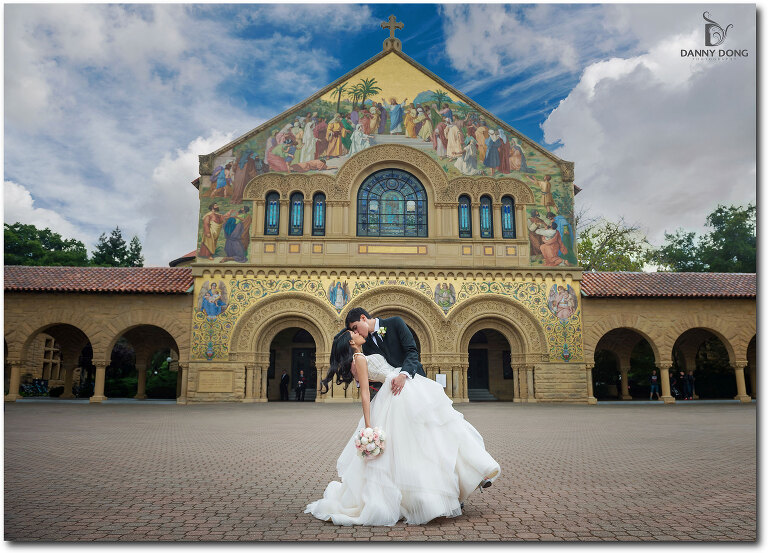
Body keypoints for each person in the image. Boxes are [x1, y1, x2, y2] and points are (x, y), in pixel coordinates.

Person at [305, 328, 501, 526]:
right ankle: (460, 478)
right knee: (430, 434)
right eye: (353, 333)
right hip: (398, 393)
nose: (357, 332)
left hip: (400, 389)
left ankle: (464, 476)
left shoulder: (359, 357)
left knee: (433, 432)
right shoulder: (359, 359)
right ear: (351, 342)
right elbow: (365, 392)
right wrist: (368, 425)